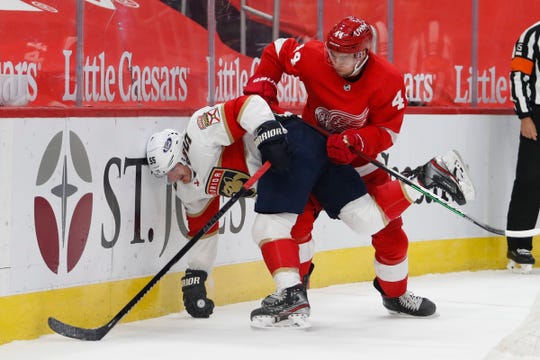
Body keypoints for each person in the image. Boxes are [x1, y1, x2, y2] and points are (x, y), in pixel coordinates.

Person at [146, 94, 472, 327]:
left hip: (292, 145)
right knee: (367, 219)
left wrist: (267, 133)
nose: (174, 177)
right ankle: (430, 176)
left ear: (181, 150)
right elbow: (204, 230)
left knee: (267, 228)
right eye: (167, 176)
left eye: (173, 168)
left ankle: (290, 296)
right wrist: (196, 273)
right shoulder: (186, 188)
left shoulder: (199, 132)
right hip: (302, 163)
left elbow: (250, 104)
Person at [243, 15, 475, 322]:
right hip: (311, 157)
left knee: (388, 230)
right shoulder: (315, 56)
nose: (334, 60)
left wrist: (358, 140)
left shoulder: (388, 78)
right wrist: (264, 86)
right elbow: (277, 50)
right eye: (332, 53)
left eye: (343, 56)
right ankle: (294, 296)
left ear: (362, 53)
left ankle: (395, 295)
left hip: (358, 162)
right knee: (295, 228)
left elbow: (388, 131)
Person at [505, 21, 540, 273]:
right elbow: (518, 75)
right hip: (536, 116)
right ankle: (519, 245)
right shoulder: (531, 34)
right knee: (529, 179)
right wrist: (525, 115)